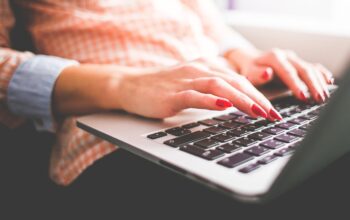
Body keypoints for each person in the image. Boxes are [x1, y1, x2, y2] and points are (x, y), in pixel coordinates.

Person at [0, 0, 333, 186]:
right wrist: (123, 84)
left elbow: (206, 23)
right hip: (117, 135)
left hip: (230, 100)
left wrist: (245, 56)